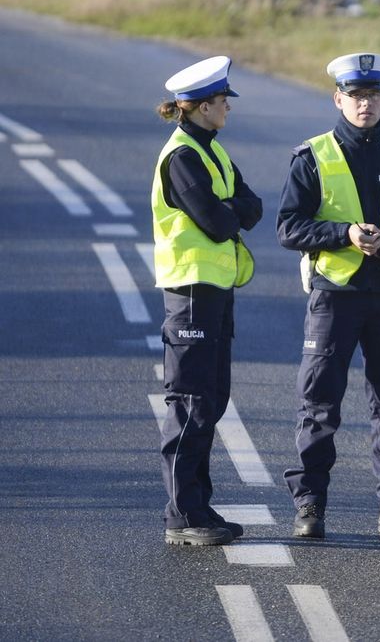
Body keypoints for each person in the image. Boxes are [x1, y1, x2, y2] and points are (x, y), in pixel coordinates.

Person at [277, 52, 380, 540]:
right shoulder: (313, 156)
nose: (364, 104)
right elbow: (288, 226)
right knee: (319, 403)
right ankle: (309, 504)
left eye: (372, 95)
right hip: (336, 294)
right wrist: (344, 234)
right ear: (338, 99)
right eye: (354, 96)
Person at [152, 56, 262, 546]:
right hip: (191, 293)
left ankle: (199, 506)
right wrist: (230, 211)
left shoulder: (211, 152)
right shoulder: (182, 158)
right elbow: (217, 223)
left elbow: (252, 206)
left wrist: (230, 210)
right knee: (192, 403)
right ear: (198, 107)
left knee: (211, 401)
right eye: (221, 102)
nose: (227, 109)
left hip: (214, 293)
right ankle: (182, 517)